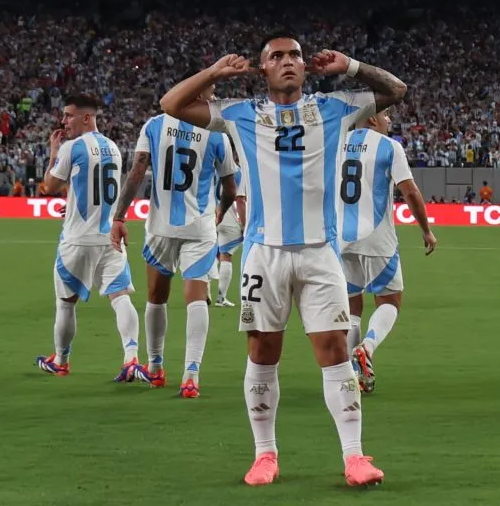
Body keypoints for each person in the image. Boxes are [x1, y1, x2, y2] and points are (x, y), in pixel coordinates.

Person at [160, 35, 407, 487]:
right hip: (264, 253)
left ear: (305, 66)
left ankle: (355, 457)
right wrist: (215, 72)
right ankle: (264, 455)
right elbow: (171, 104)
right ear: (263, 69)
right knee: (262, 351)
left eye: (295, 55)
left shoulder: (336, 109)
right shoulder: (239, 113)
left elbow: (396, 90)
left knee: (334, 350)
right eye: (277, 56)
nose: (288, 61)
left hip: (321, 252)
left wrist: (350, 66)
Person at [110, 85, 238, 398]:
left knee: (156, 297)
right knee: (197, 298)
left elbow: (137, 172)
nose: (214, 99)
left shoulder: (154, 125)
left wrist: (119, 216)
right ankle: (191, 375)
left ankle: (155, 368)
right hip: (200, 227)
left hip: (160, 226)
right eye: (211, 94)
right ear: (198, 96)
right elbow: (230, 188)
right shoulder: (217, 134)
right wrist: (220, 211)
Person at [34, 95, 143, 380]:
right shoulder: (113, 147)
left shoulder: (72, 147)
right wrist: (71, 204)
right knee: (120, 297)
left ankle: (61, 360)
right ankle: (131, 358)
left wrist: (53, 152)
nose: (63, 121)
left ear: (86, 118)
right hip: (109, 238)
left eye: (69, 115)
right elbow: (98, 189)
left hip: (78, 240)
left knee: (65, 302)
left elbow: (50, 185)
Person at [339, 108, 437, 394]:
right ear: (372, 118)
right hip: (376, 237)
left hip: (340, 240)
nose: (390, 120)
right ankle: (367, 347)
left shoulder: (336, 142)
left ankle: (352, 374)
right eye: (386, 114)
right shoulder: (389, 146)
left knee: (352, 306)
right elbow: (410, 191)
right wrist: (426, 230)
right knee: (390, 300)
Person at [211, 146, 246, 307]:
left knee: (205, 252)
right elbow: (240, 200)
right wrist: (244, 224)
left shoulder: (211, 169)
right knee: (227, 255)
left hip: (208, 215)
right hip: (226, 216)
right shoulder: (237, 172)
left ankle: (203, 292)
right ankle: (221, 297)